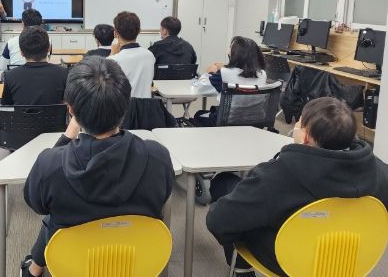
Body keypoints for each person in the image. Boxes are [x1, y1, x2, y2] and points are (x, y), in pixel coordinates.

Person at [20, 56, 174, 277]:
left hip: (73, 266)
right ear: (126, 106)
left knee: (55, 214)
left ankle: (33, 270)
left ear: (71, 110)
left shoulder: (50, 165)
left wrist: (66, 138)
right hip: (136, 262)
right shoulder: (158, 157)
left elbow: (36, 204)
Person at [206, 97, 388, 277]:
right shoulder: (380, 172)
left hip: (291, 261)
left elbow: (217, 222)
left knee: (224, 184)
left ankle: (241, 268)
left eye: (299, 122)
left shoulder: (278, 176)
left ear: (305, 135)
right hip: (353, 257)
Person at [193, 36, 267, 126]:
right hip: (254, 123)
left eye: (230, 48)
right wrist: (225, 67)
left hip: (227, 121)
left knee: (199, 114)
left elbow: (201, 88)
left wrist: (208, 73)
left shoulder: (224, 73)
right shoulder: (262, 74)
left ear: (235, 55)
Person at [1, 26, 68, 106]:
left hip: (21, 115)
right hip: (54, 114)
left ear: (21, 52)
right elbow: (68, 103)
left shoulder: (10, 76)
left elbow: (6, 106)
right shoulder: (63, 74)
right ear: (48, 49)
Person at [108, 11, 155, 98]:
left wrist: (112, 54)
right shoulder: (150, 55)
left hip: (122, 106)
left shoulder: (112, 60)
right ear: (139, 31)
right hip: (146, 105)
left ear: (116, 34)